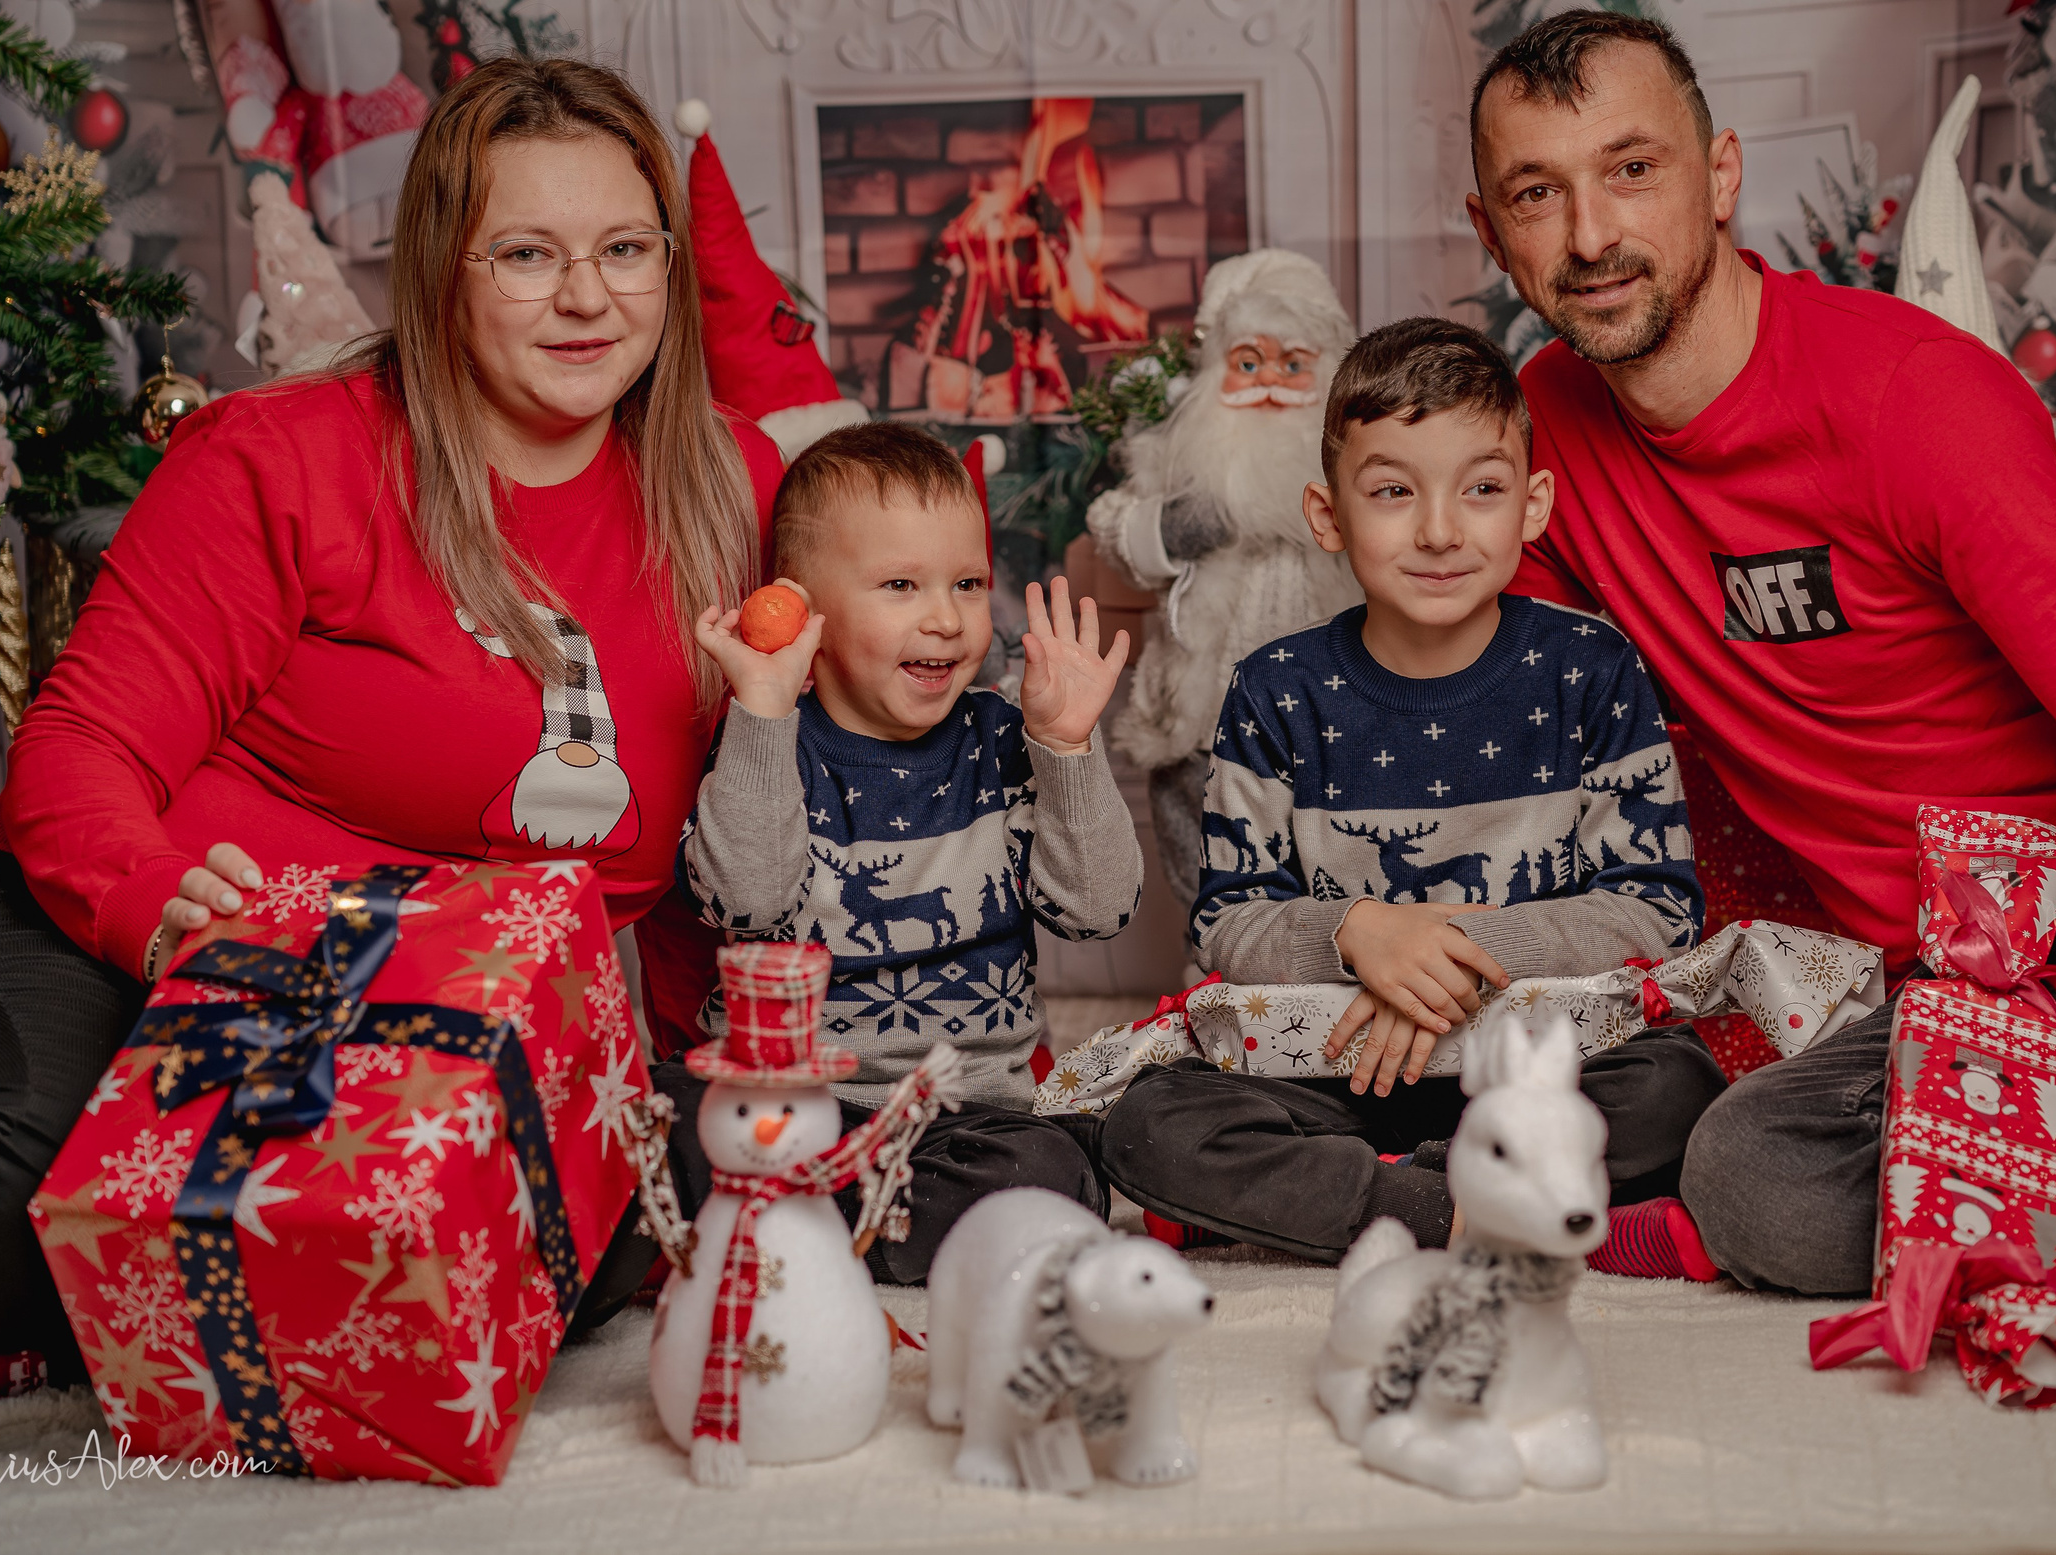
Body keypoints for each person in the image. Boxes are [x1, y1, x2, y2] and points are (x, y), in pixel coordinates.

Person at [0, 56, 783, 1442]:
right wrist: (154, 908)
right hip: (95, 936)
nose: (589, 297)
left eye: (625, 249)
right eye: (528, 253)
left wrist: (725, 1081)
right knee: (62, 1177)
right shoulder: (282, 455)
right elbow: (82, 742)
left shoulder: (731, 486)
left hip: (408, 1029)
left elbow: (721, 847)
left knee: (560, 1237)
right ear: (445, 272)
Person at [1471, 8, 2056, 1331]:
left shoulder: (1913, 396)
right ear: (1490, 227)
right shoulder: (1547, 440)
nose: (1589, 235)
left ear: (1719, 174)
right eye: (1536, 193)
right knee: (1747, 1181)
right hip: (1950, 969)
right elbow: (1520, 714)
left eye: (1632, 169)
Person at [1096, 317, 1722, 1277]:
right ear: (1328, 515)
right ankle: (1479, 1203)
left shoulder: (1591, 669)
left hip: (1537, 1064)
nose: (1439, 529)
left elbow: (1662, 907)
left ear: (1535, 504)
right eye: (1393, 491)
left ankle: (1349, 1202)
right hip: (1337, 1067)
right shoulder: (1276, 688)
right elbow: (1228, 921)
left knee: (1678, 1084)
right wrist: (1359, 935)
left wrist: (1446, 964)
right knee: (1153, 1119)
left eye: (1481, 489)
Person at [671, 422, 1142, 1283]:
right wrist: (765, 715)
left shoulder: (1007, 736)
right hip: (783, 1101)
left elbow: (1097, 908)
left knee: (1053, 1179)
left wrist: (1068, 748)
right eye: (900, 584)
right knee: (655, 1129)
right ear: (802, 605)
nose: (945, 617)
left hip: (961, 1116)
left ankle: (795, 1232)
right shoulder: (770, 740)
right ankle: (822, 1216)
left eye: (968, 582)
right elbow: (745, 902)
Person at [1085, 249, 1364, 913]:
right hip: (1203, 712)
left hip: (1324, 712)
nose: (1269, 380)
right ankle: (1207, 974)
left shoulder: (1356, 469)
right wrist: (1184, 524)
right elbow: (1116, 529)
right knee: (1204, 862)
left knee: (1323, 862)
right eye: (1246, 363)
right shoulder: (1175, 463)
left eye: (1293, 365)